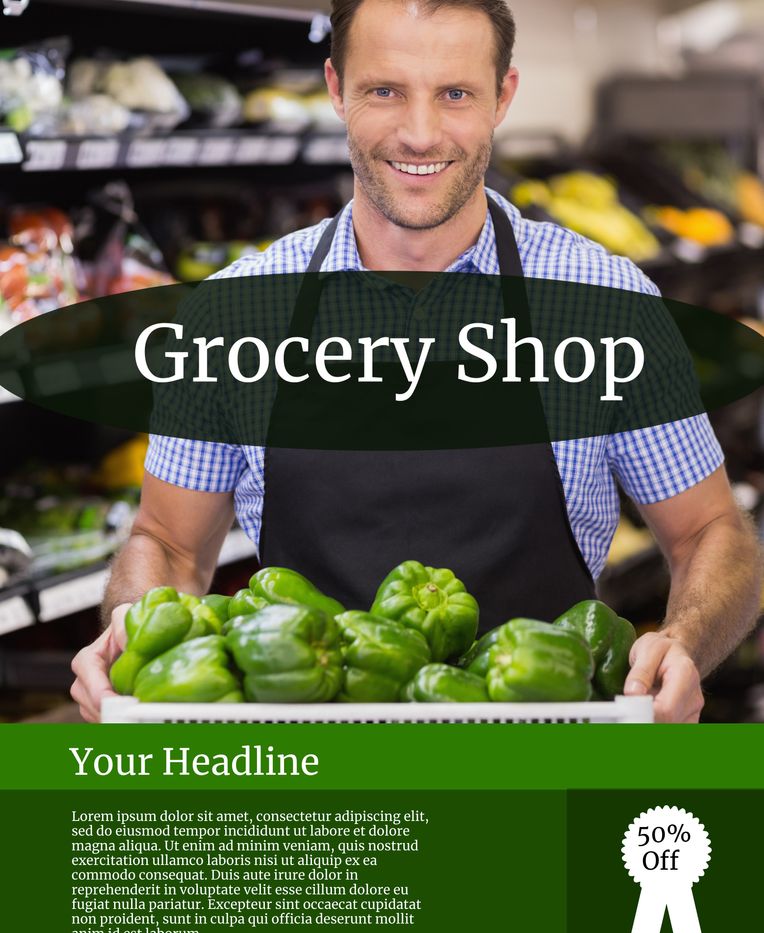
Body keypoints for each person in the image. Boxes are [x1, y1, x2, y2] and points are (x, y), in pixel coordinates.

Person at [71, 0, 761, 723]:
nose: (420, 132)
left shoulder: (601, 301)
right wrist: (132, 638)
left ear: (504, 97)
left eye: (456, 93)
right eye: (385, 90)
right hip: (313, 791)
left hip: (545, 766)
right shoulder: (236, 313)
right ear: (336, 90)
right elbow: (168, 546)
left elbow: (711, 531)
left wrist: (683, 642)